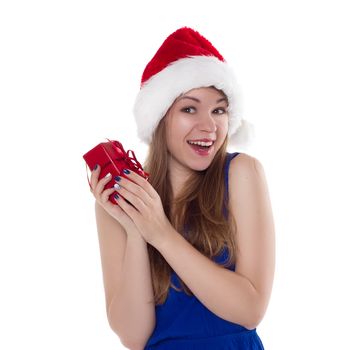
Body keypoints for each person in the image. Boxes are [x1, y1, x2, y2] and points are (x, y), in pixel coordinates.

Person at [89, 27, 275, 350]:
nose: (210, 126)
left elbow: (250, 309)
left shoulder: (242, 174)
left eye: (219, 110)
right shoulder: (123, 201)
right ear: (160, 118)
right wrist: (136, 230)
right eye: (190, 109)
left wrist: (160, 233)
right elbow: (134, 336)